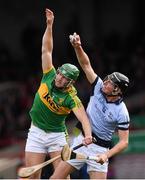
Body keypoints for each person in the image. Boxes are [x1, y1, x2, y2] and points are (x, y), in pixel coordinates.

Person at [50, 32, 130, 179]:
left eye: (110, 83)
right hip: (80, 140)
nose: (105, 82)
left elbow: (124, 142)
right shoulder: (98, 87)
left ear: (117, 90)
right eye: (107, 79)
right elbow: (86, 65)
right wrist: (78, 47)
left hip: (99, 149)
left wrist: (106, 155)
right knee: (55, 179)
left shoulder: (122, 112)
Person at [24, 10, 92, 179]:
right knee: (32, 177)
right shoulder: (49, 75)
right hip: (36, 132)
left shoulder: (71, 97)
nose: (59, 78)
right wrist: (49, 25)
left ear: (70, 83)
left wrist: (88, 135)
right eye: (60, 73)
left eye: (64, 78)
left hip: (56, 137)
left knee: (62, 177)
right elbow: (46, 50)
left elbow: (83, 117)